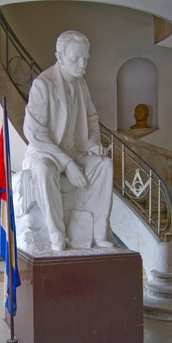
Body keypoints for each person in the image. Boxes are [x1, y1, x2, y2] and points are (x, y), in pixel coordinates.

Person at [22, 30, 113, 251]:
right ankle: (56, 234)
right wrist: (67, 164)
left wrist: (92, 144)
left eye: (86, 58)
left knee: (104, 165)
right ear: (60, 57)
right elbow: (34, 133)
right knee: (44, 171)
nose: (82, 64)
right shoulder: (43, 85)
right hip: (47, 153)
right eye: (75, 59)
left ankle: (98, 232)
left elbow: (92, 118)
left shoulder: (81, 84)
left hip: (76, 150)